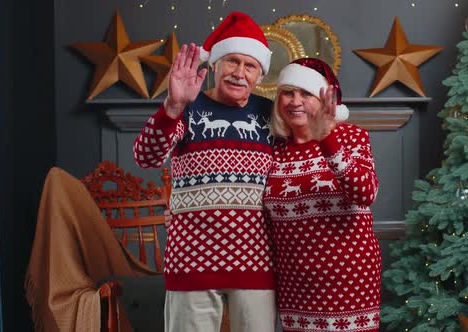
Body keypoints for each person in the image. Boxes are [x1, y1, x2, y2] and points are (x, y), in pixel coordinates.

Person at [133, 11, 276, 332]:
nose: (239, 73)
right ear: (215, 65)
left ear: (260, 75)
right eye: (232, 62)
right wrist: (172, 105)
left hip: (255, 259)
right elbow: (146, 157)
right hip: (191, 259)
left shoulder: (270, 114)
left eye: (249, 65)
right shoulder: (186, 107)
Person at [263, 58, 382, 332]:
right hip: (295, 283)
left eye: (306, 93)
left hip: (349, 278)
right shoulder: (275, 149)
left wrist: (327, 141)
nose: (295, 101)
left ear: (324, 99)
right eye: (287, 92)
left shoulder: (352, 137)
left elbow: (366, 193)